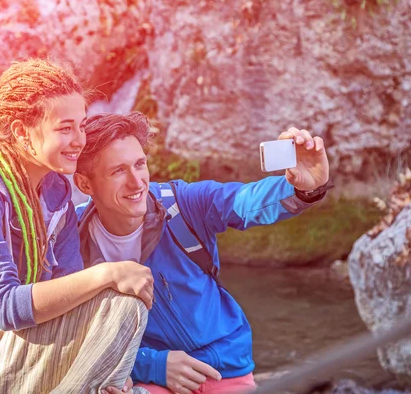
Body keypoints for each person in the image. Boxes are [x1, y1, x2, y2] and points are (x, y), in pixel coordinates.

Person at [0, 60, 154, 394]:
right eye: (65, 128)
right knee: (120, 299)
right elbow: (2, 307)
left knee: (112, 299)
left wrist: (109, 360)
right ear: (20, 131)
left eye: (82, 126)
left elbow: (69, 286)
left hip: (20, 339)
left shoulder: (56, 191)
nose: (80, 140)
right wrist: (108, 273)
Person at [74, 112, 331, 394]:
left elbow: (244, 202)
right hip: (151, 380)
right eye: (118, 171)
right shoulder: (69, 240)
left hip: (223, 371)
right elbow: (71, 338)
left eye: (139, 165)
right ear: (85, 184)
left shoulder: (182, 205)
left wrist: (303, 188)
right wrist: (152, 365)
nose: (137, 183)